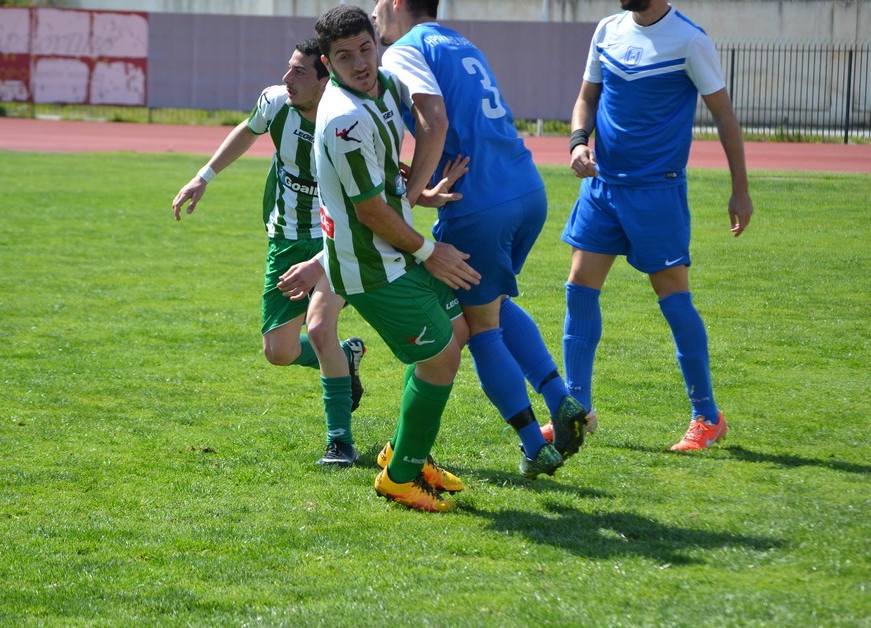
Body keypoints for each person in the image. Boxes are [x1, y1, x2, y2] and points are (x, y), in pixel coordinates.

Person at [371, 0, 589, 480]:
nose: (373, 12)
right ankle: (561, 400)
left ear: (398, 3)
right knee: (493, 304)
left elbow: (434, 122)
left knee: (481, 326)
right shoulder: (460, 42)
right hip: (526, 188)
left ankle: (535, 445)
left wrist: (410, 195)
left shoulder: (404, 49)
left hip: (479, 200)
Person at [307, 5, 479, 512]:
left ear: (376, 43)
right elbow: (370, 212)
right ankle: (400, 479)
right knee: (441, 356)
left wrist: (416, 188)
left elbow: (425, 124)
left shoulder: (382, 83)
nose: (360, 63)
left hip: (393, 248)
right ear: (328, 63)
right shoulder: (343, 119)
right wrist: (430, 251)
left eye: (365, 48)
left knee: (456, 332)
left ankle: (404, 452)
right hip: (370, 265)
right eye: (345, 56)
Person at [560, 0, 753, 451]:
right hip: (602, 187)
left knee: (674, 298)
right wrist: (578, 142)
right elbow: (587, 98)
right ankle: (576, 411)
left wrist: (740, 190)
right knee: (579, 287)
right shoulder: (607, 30)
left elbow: (724, 116)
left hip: (657, 193)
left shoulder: (690, 40)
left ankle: (707, 417)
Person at [171, 39, 368, 467]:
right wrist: (204, 176)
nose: (286, 78)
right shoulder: (276, 102)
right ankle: (347, 355)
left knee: (320, 330)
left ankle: (340, 442)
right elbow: (248, 129)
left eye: (299, 72)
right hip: (286, 238)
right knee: (279, 351)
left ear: (325, 80)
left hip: (336, 241)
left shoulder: (348, 120)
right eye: (288, 68)